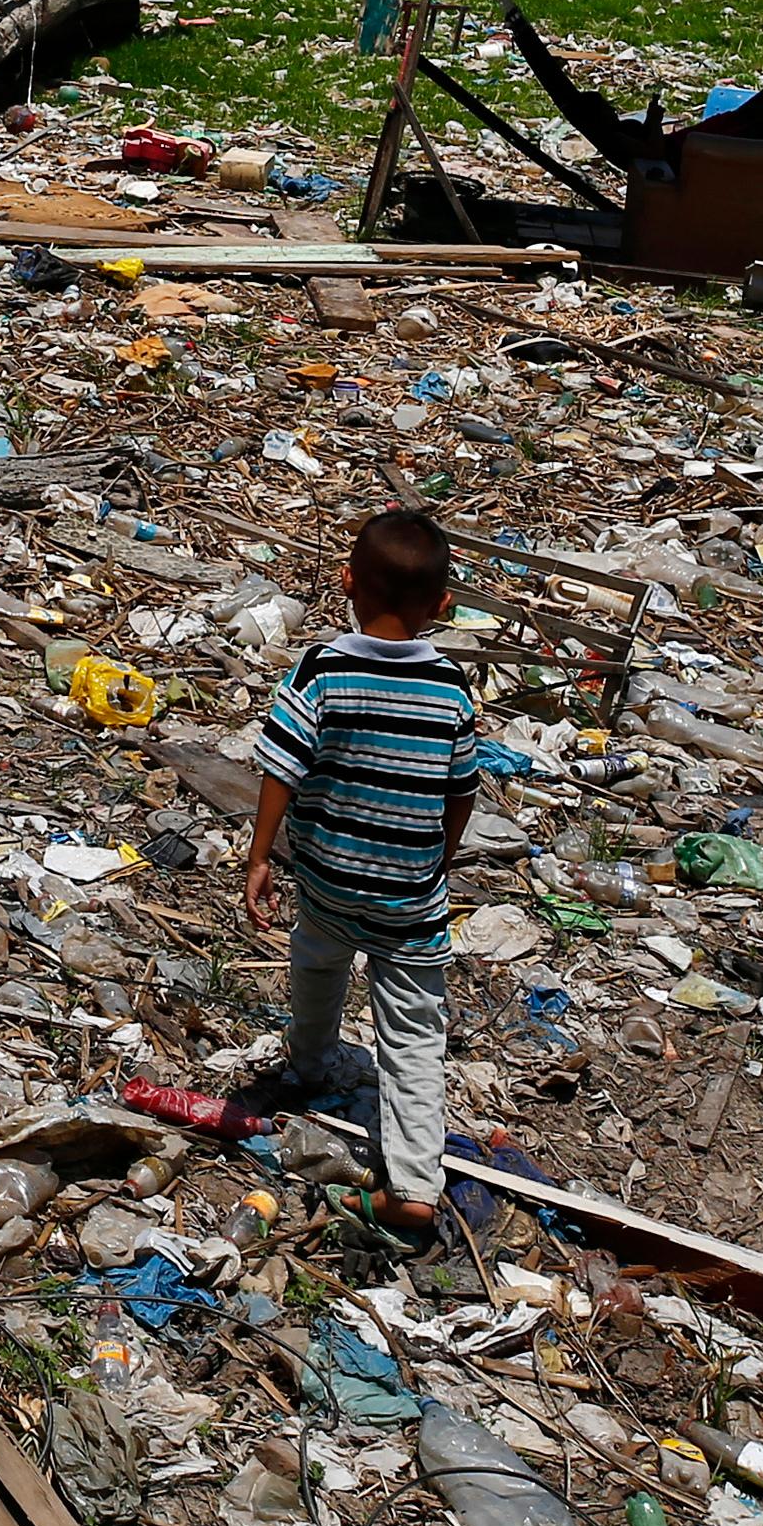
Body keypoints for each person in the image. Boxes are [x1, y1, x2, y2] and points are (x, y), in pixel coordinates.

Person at [241, 505, 480, 1236]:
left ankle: (309, 1066)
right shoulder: (451, 687)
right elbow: (460, 790)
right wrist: (438, 857)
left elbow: (282, 765)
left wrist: (259, 856)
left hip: (327, 873)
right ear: (443, 606)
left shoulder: (323, 667)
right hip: (409, 892)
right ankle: (413, 1182)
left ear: (346, 582)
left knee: (317, 962)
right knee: (412, 1032)